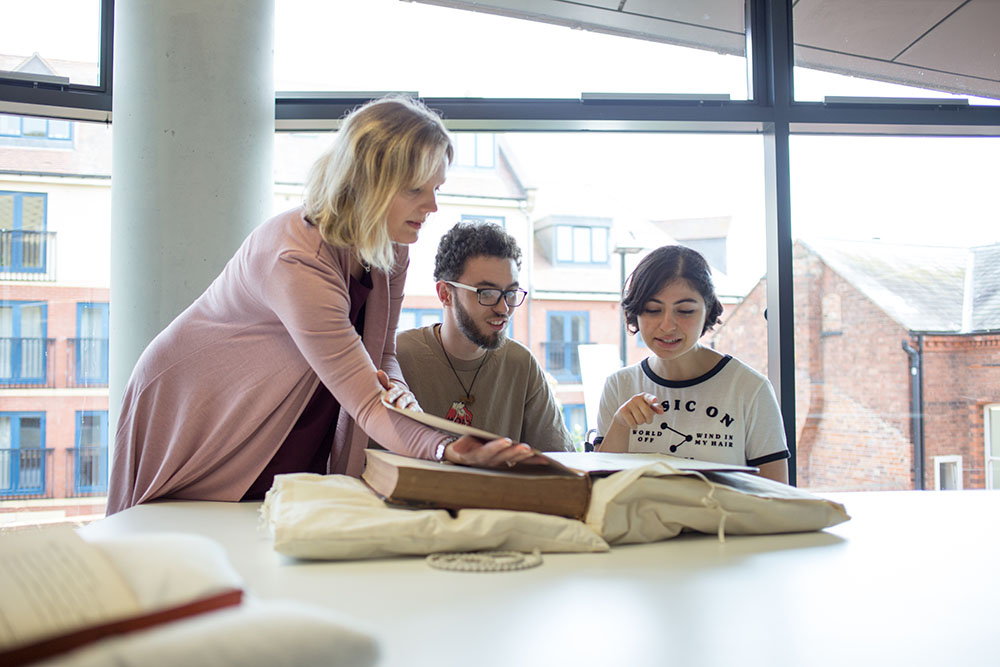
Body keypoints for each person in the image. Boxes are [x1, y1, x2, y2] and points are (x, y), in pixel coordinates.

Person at [107, 96, 539, 515]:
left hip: (290, 407)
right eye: (415, 190)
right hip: (204, 407)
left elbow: (381, 357)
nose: (433, 206)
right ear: (369, 182)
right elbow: (368, 401)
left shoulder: (391, 247)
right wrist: (446, 448)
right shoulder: (296, 259)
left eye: (436, 188)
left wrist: (405, 401)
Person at [594, 245, 790, 482]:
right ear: (636, 312)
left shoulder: (749, 389)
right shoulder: (619, 385)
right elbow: (600, 488)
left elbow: (776, 495)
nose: (667, 325)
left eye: (685, 311)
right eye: (653, 310)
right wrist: (620, 424)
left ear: (708, 311)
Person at [394, 222, 575, 452]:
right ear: (445, 294)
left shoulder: (521, 364)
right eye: (486, 293)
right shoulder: (399, 356)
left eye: (510, 293)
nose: (503, 308)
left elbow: (559, 462)